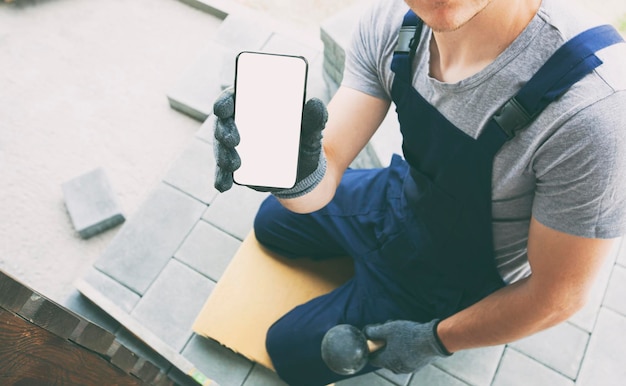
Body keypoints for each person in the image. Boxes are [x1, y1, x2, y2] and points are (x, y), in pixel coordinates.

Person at [212, 0, 626, 384]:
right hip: (403, 201)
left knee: (287, 352)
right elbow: (329, 163)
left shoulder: (594, 111)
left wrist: (435, 338)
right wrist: (295, 176)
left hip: (453, 276)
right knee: (273, 218)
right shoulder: (393, 23)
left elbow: (558, 297)